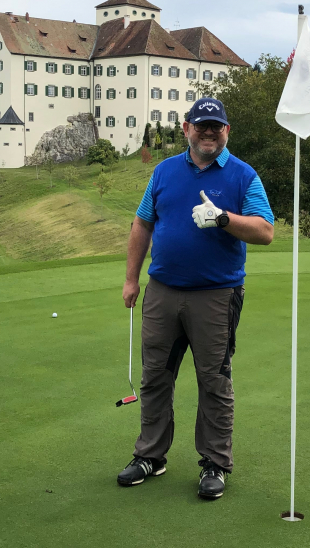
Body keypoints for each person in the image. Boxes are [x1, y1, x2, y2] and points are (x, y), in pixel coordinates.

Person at [117, 97, 274, 499]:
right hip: (163, 291)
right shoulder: (164, 171)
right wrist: (131, 279)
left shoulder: (243, 175)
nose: (208, 132)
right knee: (155, 376)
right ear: (186, 128)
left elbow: (264, 231)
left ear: (226, 131)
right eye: (201, 125)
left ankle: (215, 463)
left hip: (216, 295)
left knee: (214, 380)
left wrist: (223, 218)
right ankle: (150, 456)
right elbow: (142, 223)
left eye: (215, 126)